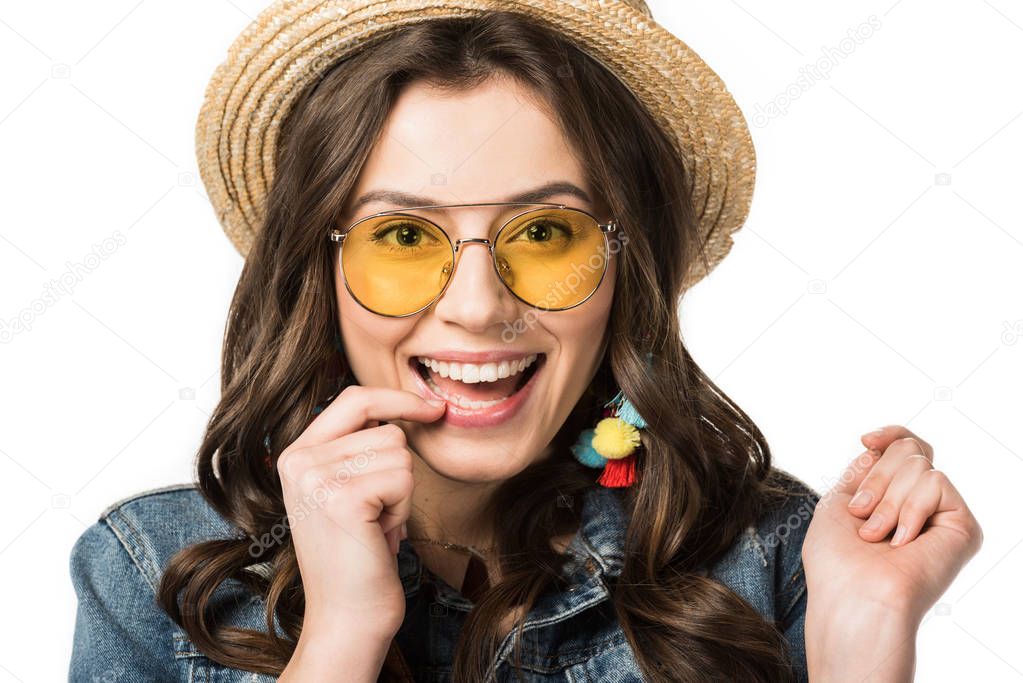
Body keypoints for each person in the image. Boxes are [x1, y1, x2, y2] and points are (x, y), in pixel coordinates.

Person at [68, 2, 984, 681]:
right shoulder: (149, 570)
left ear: (626, 263)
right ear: (320, 269)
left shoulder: (775, 554)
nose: (476, 307)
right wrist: (343, 629)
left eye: (545, 233)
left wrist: (862, 636)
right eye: (402, 237)